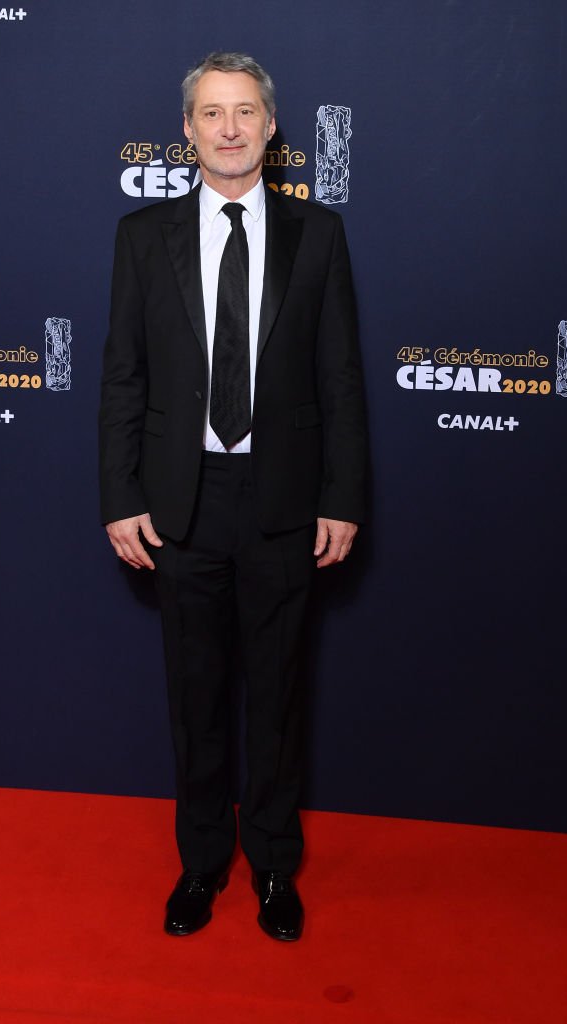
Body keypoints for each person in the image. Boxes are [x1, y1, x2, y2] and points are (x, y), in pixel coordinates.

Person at [99, 52, 367, 941]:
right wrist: (119, 494)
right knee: (197, 690)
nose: (227, 128)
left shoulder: (318, 236)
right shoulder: (142, 237)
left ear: (270, 126)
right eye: (210, 113)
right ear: (185, 129)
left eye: (244, 111)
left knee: (280, 695)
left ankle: (276, 869)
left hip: (284, 498)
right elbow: (122, 380)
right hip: (183, 498)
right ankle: (203, 864)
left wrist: (342, 495)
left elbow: (340, 379)